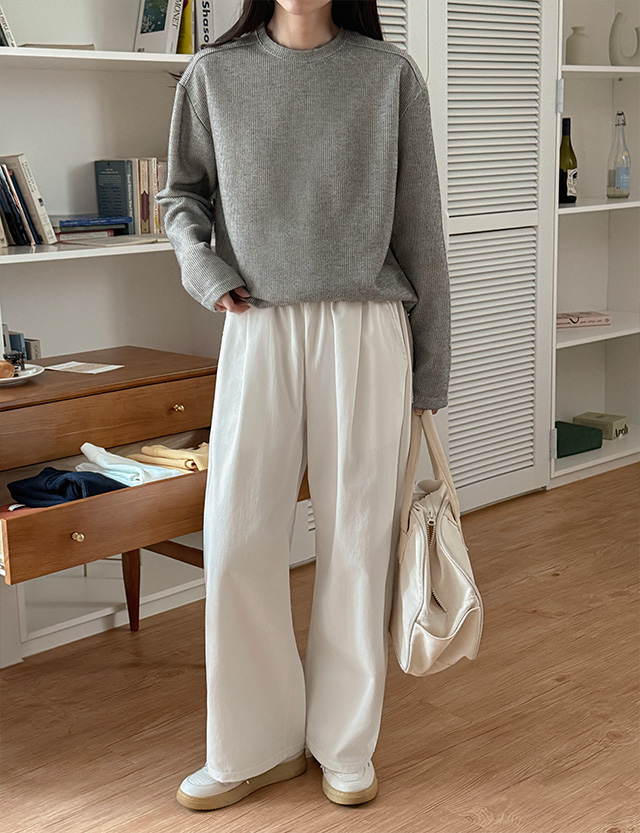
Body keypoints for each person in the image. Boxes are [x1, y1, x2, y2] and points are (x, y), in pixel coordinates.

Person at [155, 0, 451, 812]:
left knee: (357, 538)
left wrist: (430, 377)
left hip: (366, 327)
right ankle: (250, 746)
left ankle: (344, 744)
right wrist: (206, 272)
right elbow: (180, 198)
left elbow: (421, 232)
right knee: (237, 536)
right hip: (256, 321)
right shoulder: (214, 75)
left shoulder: (389, 77)